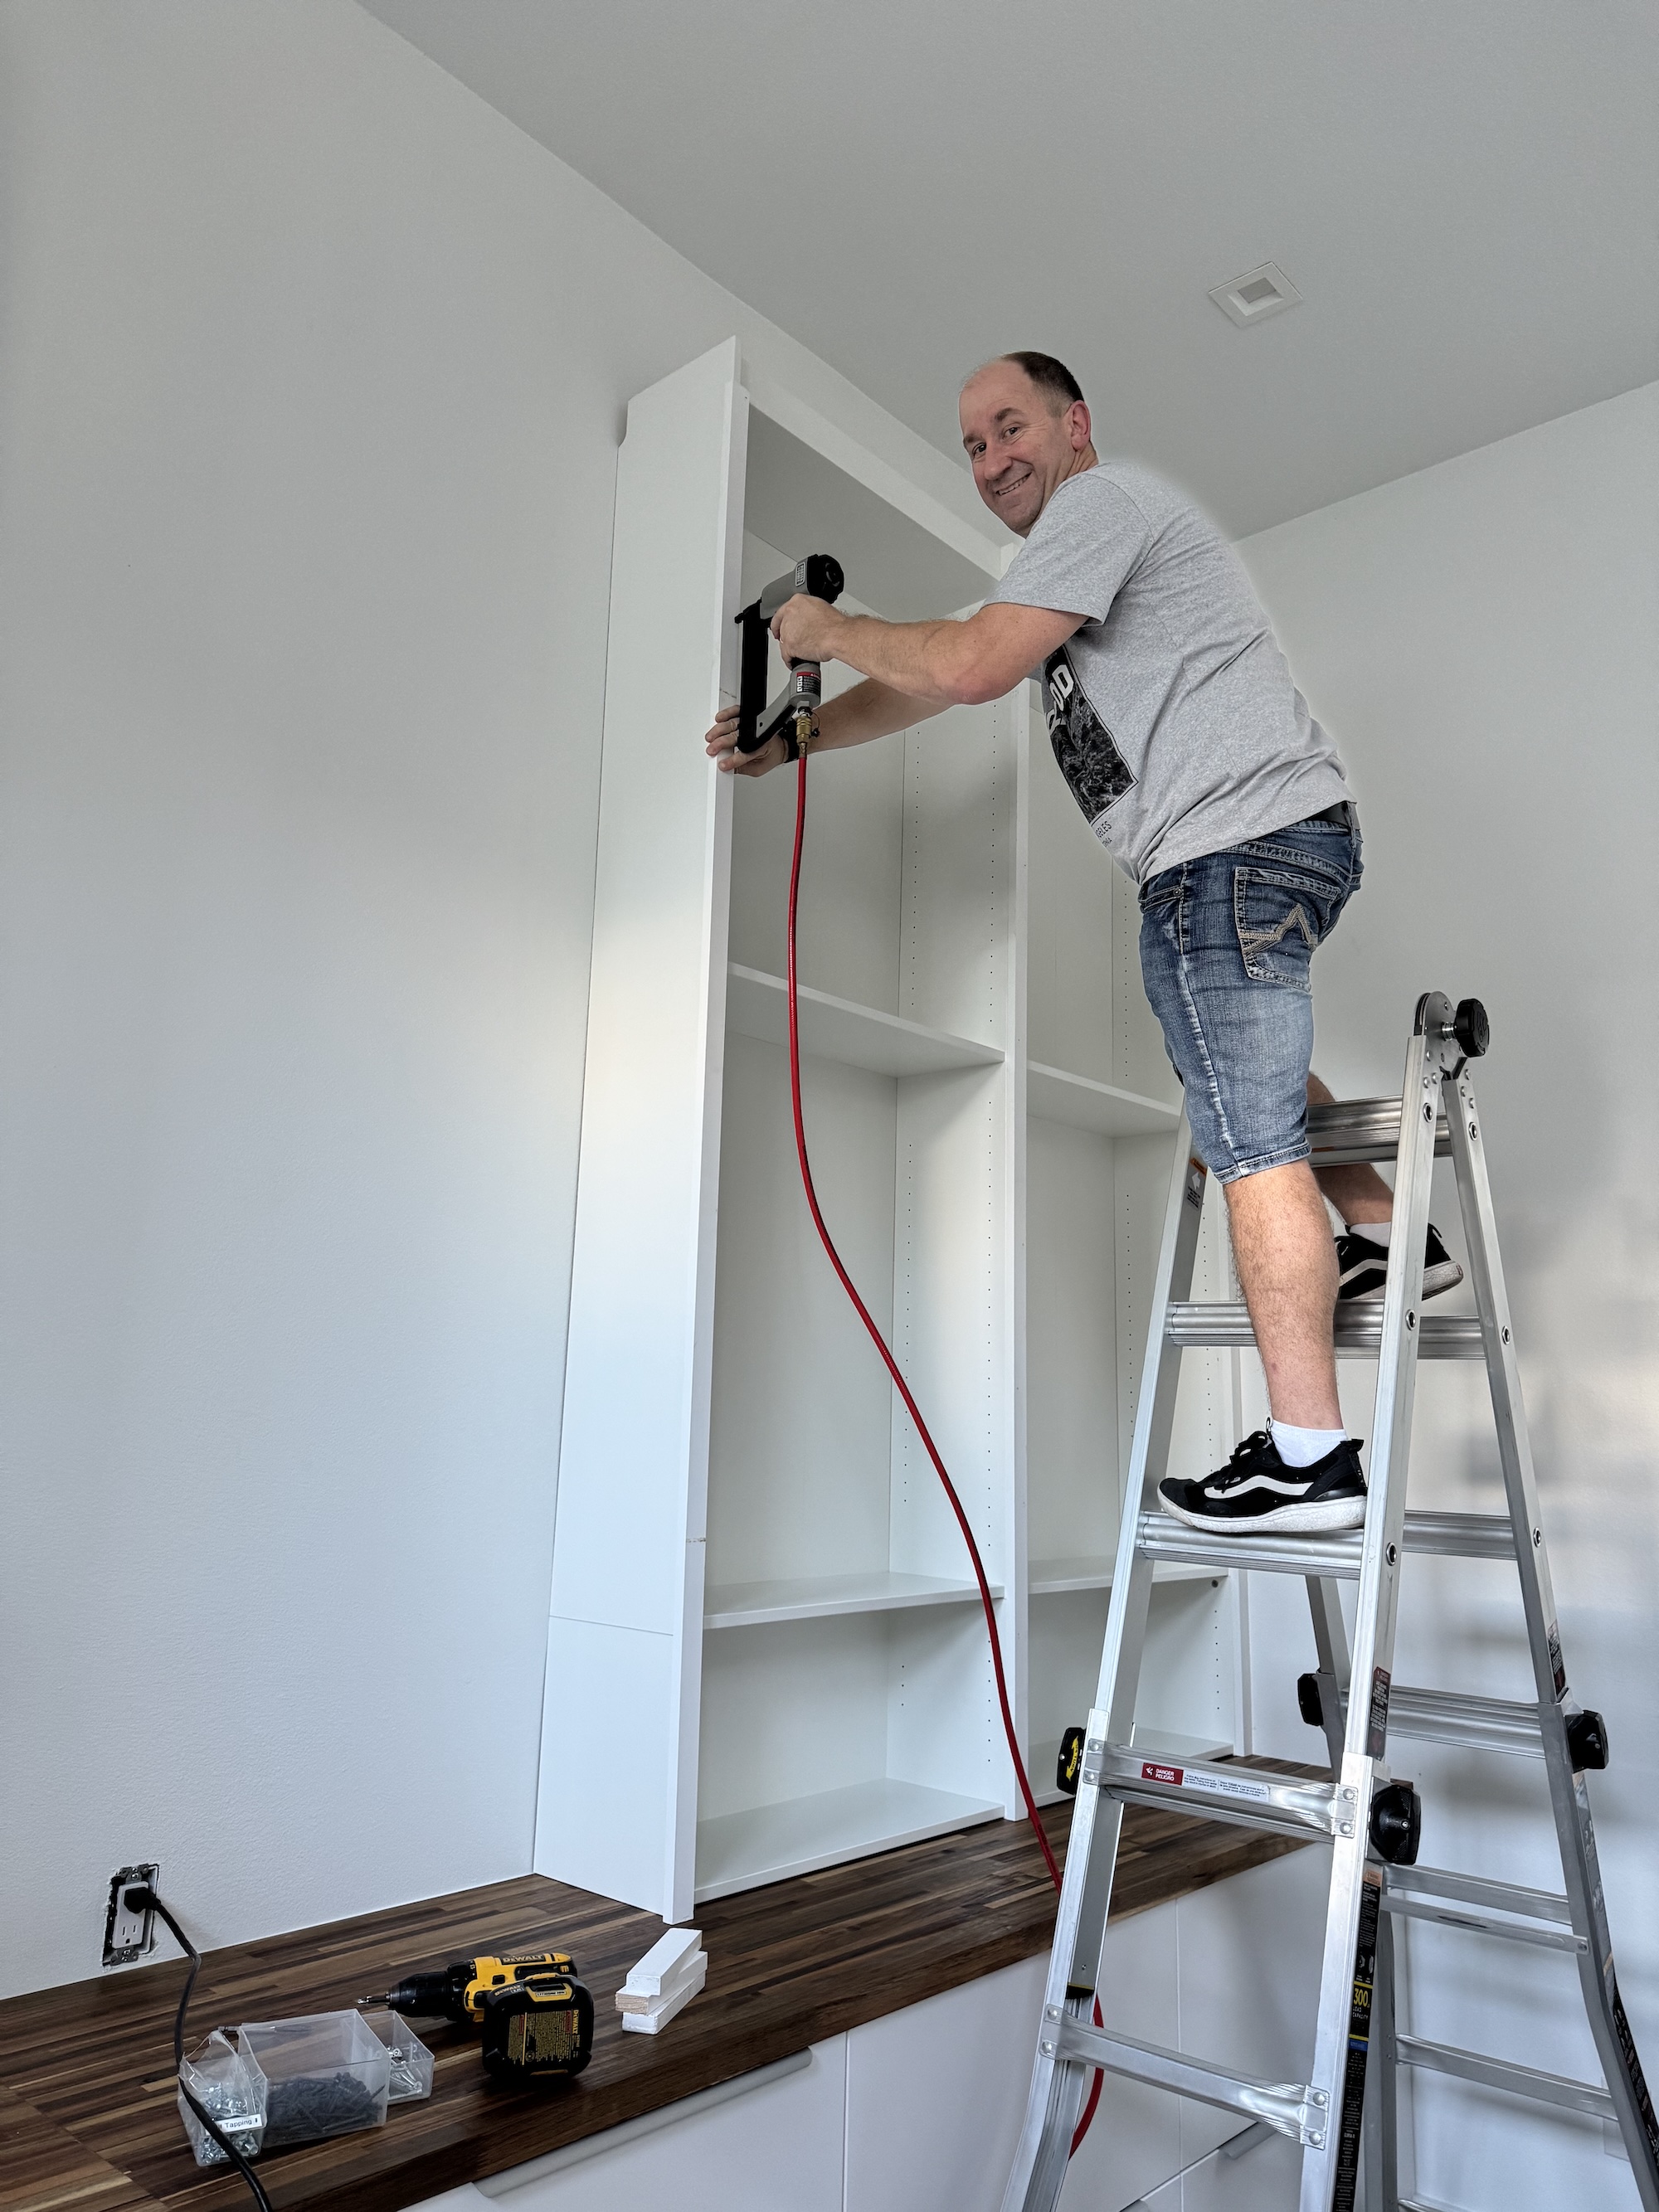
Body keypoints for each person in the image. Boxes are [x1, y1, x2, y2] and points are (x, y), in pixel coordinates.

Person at [704, 351, 1460, 1536]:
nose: (993, 458)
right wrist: (794, 743)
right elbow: (938, 671)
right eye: (973, 445)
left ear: (1076, 427)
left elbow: (963, 668)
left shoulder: (1103, 506)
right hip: (1252, 848)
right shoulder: (1062, 569)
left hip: (1232, 848)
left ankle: (1311, 1455)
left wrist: (827, 627)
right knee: (1227, 1067)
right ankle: (1384, 1231)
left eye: (1011, 428)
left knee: (1249, 1146)